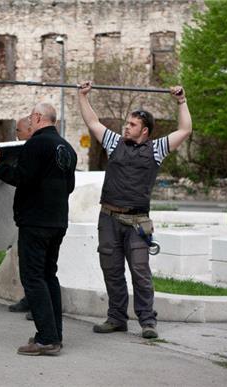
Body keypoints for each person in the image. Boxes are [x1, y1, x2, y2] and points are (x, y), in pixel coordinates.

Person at [77, 80, 192, 339]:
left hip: (138, 222)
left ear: (145, 131)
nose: (125, 127)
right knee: (112, 270)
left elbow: (185, 129)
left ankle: (147, 321)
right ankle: (116, 318)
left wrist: (181, 101)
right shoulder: (114, 142)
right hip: (107, 218)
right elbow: (93, 123)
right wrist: (83, 97)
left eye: (132, 125)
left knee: (140, 272)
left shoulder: (157, 150)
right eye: (126, 123)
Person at [0, 103, 77, 356]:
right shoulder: (66, 147)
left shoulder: (36, 144)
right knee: (48, 276)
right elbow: (69, 187)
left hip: (35, 222)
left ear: (37, 117)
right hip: (57, 222)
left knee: (33, 278)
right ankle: (54, 334)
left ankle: (46, 339)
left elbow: (21, 177)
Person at [8, 117, 32, 316]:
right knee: (26, 263)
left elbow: (20, 178)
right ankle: (30, 299)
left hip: (37, 220)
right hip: (29, 219)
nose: (17, 134)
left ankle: (39, 306)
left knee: (37, 268)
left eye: (19, 130)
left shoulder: (35, 151)